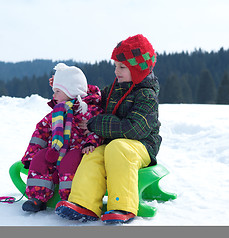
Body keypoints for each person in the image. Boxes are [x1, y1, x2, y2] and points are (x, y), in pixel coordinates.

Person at [54, 34, 162, 224]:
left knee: (117, 148)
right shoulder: (114, 88)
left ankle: (122, 205)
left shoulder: (147, 95)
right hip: (114, 145)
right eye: (115, 66)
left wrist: (96, 123)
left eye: (122, 67)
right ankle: (83, 203)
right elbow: (92, 98)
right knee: (93, 154)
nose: (116, 71)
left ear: (138, 69)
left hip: (141, 146)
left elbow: (134, 129)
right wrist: (66, 88)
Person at [21, 63, 103, 212]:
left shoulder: (87, 111)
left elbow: (96, 130)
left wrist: (91, 142)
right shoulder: (56, 113)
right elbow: (41, 132)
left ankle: (71, 198)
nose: (54, 95)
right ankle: (37, 197)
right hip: (56, 149)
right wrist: (31, 154)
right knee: (40, 159)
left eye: (58, 91)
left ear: (71, 91)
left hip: (78, 150)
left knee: (69, 163)